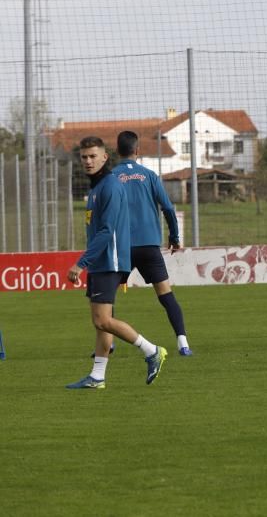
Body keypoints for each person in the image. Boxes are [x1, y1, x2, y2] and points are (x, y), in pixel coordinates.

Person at [66, 136, 167, 389]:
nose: (88, 161)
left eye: (93, 156)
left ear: (104, 157)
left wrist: (81, 263)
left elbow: (107, 231)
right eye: (84, 157)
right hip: (103, 261)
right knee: (101, 322)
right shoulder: (97, 188)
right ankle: (97, 377)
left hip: (108, 261)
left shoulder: (110, 186)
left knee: (103, 321)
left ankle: (151, 350)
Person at [113, 130, 193, 356]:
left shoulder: (111, 177)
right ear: (137, 151)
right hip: (149, 246)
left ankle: (108, 343)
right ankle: (183, 343)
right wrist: (174, 237)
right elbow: (168, 208)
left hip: (123, 247)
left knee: (107, 296)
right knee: (166, 295)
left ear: (118, 151)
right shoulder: (149, 176)